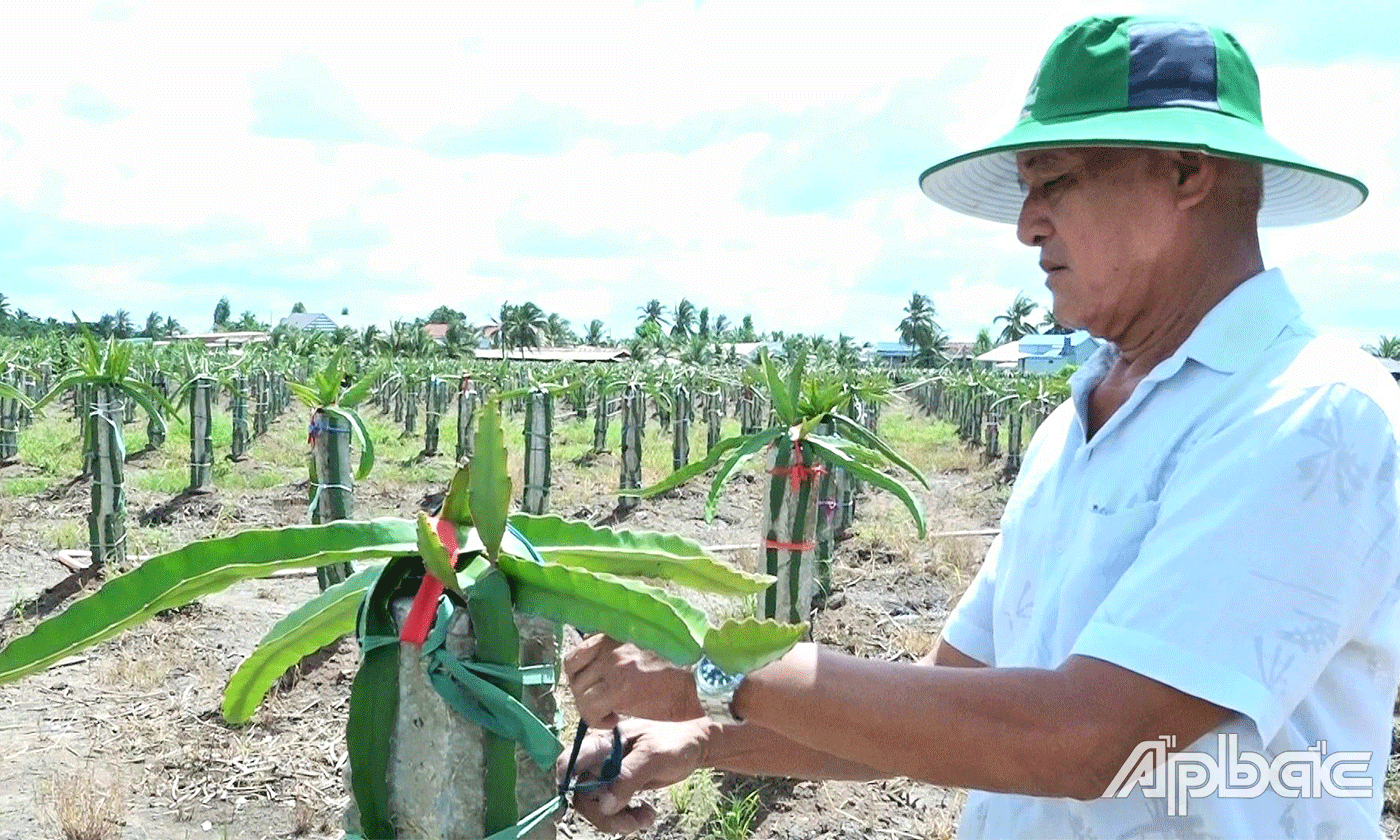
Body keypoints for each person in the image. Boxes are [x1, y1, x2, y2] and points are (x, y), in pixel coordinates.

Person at [560, 15, 1400, 839]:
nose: (1027, 224)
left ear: (1186, 171)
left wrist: (715, 662)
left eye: (1056, 181)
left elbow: (1087, 740)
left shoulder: (1311, 416)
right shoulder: (1074, 428)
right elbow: (947, 706)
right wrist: (701, 735)